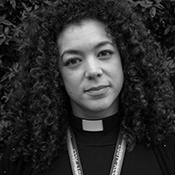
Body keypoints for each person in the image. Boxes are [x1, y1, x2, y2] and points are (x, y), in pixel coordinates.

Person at [0, 0, 175, 174]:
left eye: (104, 53)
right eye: (73, 61)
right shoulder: (25, 157)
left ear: (126, 59)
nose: (92, 71)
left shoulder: (167, 148)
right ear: (55, 73)